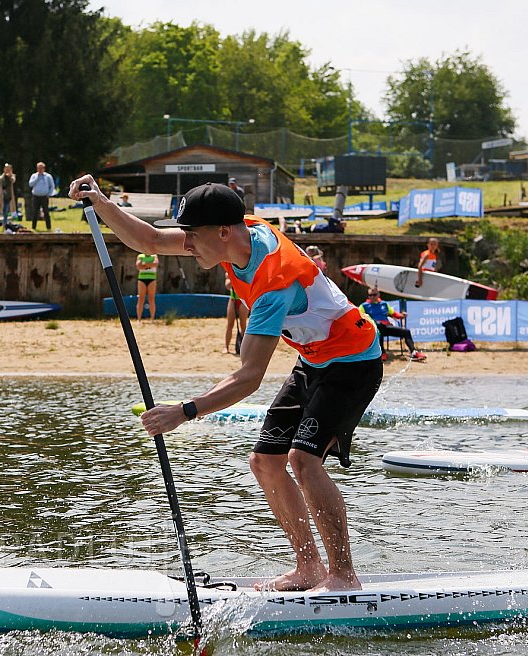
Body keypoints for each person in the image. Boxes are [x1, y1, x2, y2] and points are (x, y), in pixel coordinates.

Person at [70, 177, 383, 592]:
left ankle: (343, 576)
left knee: (303, 461)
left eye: (192, 236)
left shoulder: (275, 283)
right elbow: (147, 239)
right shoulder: (232, 237)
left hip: (354, 361)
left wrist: (184, 411)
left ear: (221, 232)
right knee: (265, 461)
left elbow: (249, 378)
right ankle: (307, 568)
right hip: (314, 358)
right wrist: (101, 201)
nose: (187, 244)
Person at [362, 288, 426, 361]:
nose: (372, 297)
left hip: (387, 327)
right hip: (374, 330)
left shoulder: (384, 304)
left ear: (379, 295)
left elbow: (394, 314)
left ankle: (414, 353)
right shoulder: (363, 306)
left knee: (406, 331)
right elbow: (361, 318)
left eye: (374, 295)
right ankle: (381, 353)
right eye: (370, 295)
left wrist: (402, 315)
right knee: (378, 327)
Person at [224, 273, 248, 355]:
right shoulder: (228, 273)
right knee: (230, 324)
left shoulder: (246, 271)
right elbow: (227, 286)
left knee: (243, 325)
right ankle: (226, 347)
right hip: (233, 299)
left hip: (243, 300)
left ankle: (245, 348)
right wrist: (233, 278)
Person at [28, 161, 55, 231]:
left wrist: (49, 194)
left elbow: (52, 186)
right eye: (38, 168)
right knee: (35, 212)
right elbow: (30, 184)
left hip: (44, 196)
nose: (40, 169)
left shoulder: (48, 176)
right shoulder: (34, 176)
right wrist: (37, 178)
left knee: (46, 212)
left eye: (41, 168)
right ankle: (33, 227)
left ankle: (48, 227)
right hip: (35, 196)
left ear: (44, 168)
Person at [136, 251, 158, 322]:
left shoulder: (154, 256)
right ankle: (139, 319)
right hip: (142, 279)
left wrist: (144, 264)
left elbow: (155, 264)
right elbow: (138, 266)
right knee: (141, 298)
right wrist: (149, 264)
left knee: (151, 298)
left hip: (152, 279)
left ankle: (152, 318)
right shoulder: (140, 256)